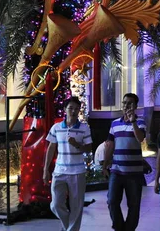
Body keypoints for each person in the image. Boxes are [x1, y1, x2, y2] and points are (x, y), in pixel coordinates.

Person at [44, 97, 93, 231]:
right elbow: (51, 148)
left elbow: (89, 148)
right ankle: (69, 227)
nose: (73, 111)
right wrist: (46, 169)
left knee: (76, 206)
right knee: (55, 205)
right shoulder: (56, 127)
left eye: (76, 109)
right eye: (70, 108)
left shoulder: (84, 128)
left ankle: (71, 229)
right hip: (59, 171)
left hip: (77, 172)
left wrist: (77, 145)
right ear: (65, 109)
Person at [103, 93, 146, 231]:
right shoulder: (114, 123)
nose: (126, 106)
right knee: (112, 201)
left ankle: (129, 228)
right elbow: (110, 144)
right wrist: (105, 165)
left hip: (134, 173)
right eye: (124, 103)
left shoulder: (140, 122)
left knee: (133, 205)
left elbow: (140, 138)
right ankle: (119, 227)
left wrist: (133, 121)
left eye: (130, 103)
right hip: (117, 170)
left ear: (135, 106)